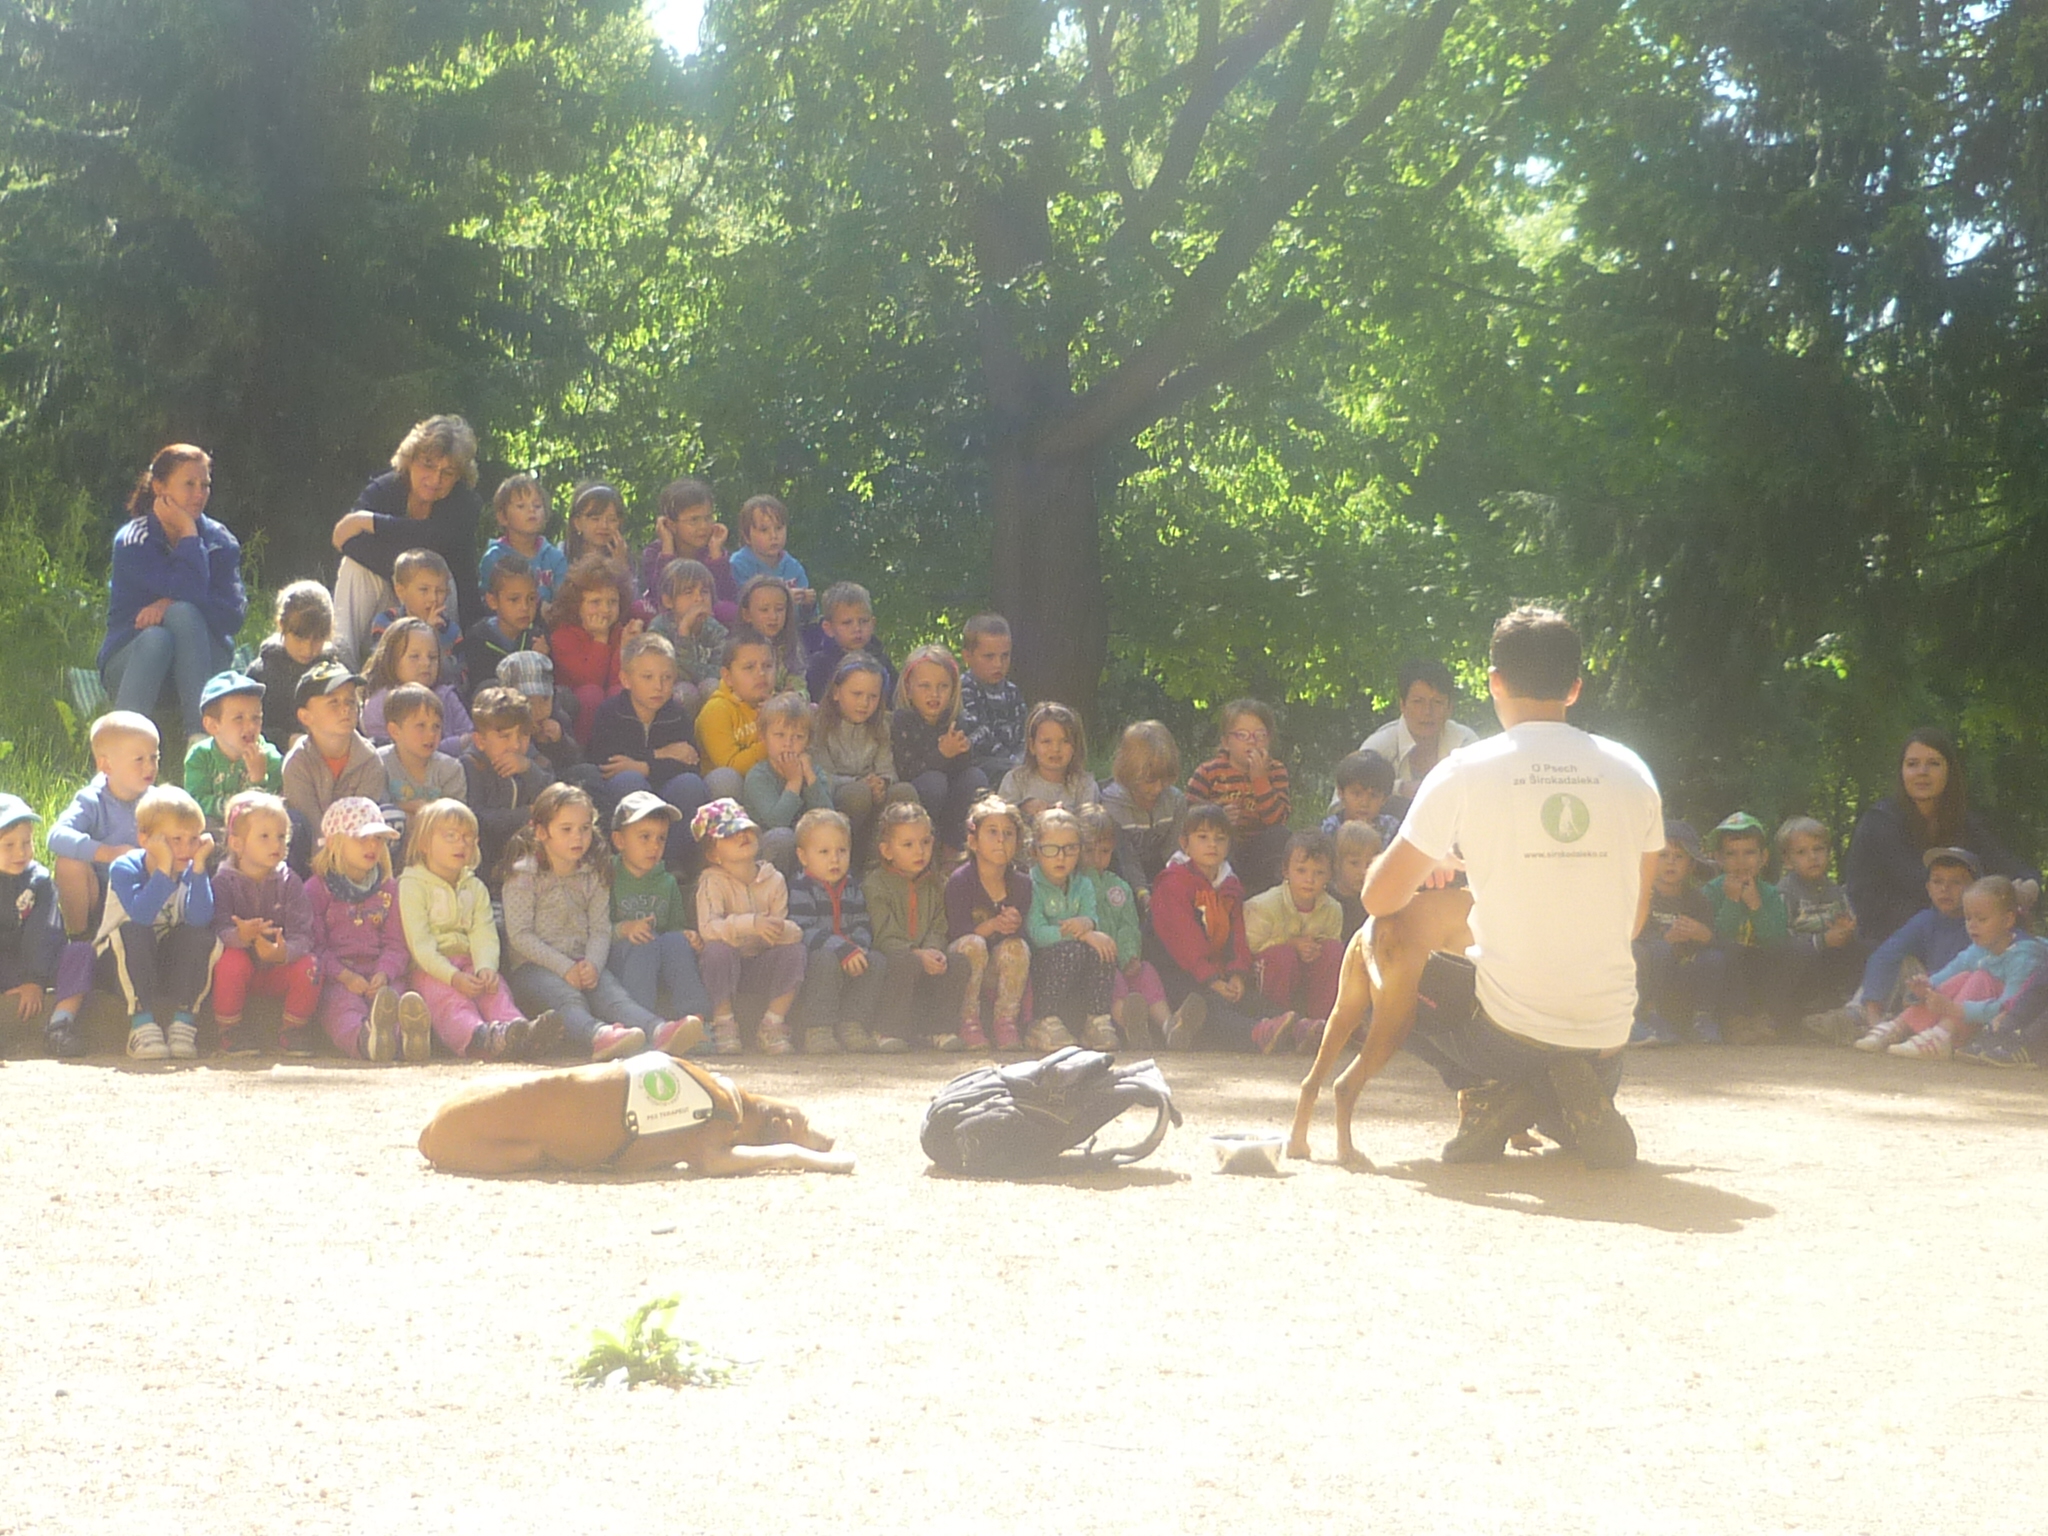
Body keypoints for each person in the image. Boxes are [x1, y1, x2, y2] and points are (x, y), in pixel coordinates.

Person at [1354, 606, 1663, 1168]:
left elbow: (1378, 899)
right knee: (1568, 1059)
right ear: (1575, 688)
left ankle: (1497, 1092)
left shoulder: (1464, 770)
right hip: (1606, 1041)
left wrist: (1434, 861)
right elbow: (1635, 921)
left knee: (1390, 968)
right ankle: (1562, 1103)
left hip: (1503, 1039)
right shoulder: (1632, 771)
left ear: (1494, 682)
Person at [503, 783, 693, 1062]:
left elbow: (600, 929)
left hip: (582, 960)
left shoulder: (594, 873)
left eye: (584, 828)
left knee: (613, 995)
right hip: (535, 967)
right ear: (542, 832)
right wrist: (564, 967)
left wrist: (592, 963)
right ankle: (598, 1035)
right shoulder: (524, 875)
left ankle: (659, 1030)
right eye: (566, 829)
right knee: (568, 998)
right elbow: (520, 936)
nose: (578, 837)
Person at [98, 443, 246, 735]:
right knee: (158, 637)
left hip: (206, 667)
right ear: (159, 488)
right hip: (136, 663)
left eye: (205, 485)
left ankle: (199, 739)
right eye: (189, 484)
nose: (199, 494)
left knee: (183, 613)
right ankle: (121, 742)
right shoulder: (134, 541)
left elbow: (233, 617)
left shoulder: (220, 541)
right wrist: (189, 534)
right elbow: (188, 589)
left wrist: (168, 605)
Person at [1844, 728, 2039, 949]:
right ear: (1902, 772)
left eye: (1934, 764)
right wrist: (1998, 896)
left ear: (1949, 771)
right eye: (1912, 764)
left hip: (1952, 926)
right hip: (1885, 936)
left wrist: (2028, 886)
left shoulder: (1964, 821)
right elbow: (1925, 884)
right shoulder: (1880, 822)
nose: (1922, 772)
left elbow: (2010, 865)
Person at [397, 797, 560, 1061]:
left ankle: (519, 1032)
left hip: (469, 962)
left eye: (468, 837)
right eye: (451, 836)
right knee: (450, 1002)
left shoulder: (475, 887)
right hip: (431, 969)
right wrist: (452, 976)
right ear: (424, 843)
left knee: (495, 991)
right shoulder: (411, 884)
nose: (461, 844)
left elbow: (483, 933)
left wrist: (486, 967)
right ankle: (481, 1037)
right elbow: (420, 943)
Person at [45, 711, 160, 1056]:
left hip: (142, 904)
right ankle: (81, 936)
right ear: (106, 764)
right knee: (68, 862)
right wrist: (106, 852)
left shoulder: (157, 801)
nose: (149, 766)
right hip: (100, 899)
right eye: (139, 759)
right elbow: (56, 836)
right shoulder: (92, 800)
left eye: (154, 757)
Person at [329, 416, 483, 667]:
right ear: (410, 460)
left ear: (459, 476)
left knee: (436, 569)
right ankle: (342, 665)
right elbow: (345, 540)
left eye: (447, 473)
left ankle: (439, 666)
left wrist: (371, 522)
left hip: (442, 605)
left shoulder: (465, 503)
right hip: (390, 594)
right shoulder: (384, 489)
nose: (435, 479)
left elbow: (436, 539)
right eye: (428, 466)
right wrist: (405, 581)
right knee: (354, 568)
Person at [93, 786, 220, 1061]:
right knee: (132, 932)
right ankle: (141, 1024)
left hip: (159, 963)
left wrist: (199, 869)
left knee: (202, 938)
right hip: (118, 964)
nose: (186, 849)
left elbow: (200, 919)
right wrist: (163, 868)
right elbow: (141, 915)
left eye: (193, 839)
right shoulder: (125, 868)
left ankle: (183, 1021)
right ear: (145, 838)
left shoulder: (190, 868)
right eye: (176, 840)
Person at [1857, 876, 2047, 1059]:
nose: (1972, 926)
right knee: (1962, 976)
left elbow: (2011, 1010)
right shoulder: (1980, 948)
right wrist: (1925, 988)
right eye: (1968, 918)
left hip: (1999, 1027)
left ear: (2008, 920)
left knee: (1981, 977)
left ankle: (1943, 1036)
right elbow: (1948, 973)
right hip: (1971, 1016)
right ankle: (1900, 1026)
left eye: (1981, 919)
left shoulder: (2024, 956)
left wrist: (1955, 1009)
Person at [306, 797, 427, 1063]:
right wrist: (345, 976)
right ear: (335, 842)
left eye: (378, 839)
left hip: (379, 974)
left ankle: (405, 1040)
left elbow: (396, 943)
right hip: (338, 977)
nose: (373, 846)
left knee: (394, 999)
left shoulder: (389, 888)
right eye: (362, 839)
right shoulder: (316, 889)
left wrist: (384, 973)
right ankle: (365, 1040)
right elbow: (314, 945)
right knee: (341, 1009)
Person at [1145, 803, 1274, 1051]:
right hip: (1178, 972)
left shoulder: (1230, 885)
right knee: (1207, 1007)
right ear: (1185, 843)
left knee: (1252, 1001)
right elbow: (1184, 942)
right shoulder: (1173, 884)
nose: (1212, 845)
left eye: (1220, 838)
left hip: (1218, 970)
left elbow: (1238, 936)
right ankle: (1257, 1035)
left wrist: (1237, 974)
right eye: (1202, 837)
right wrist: (1212, 979)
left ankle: (1300, 1029)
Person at [208, 791, 319, 1056]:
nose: (275, 844)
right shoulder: (222, 882)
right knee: (230, 961)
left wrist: (283, 952)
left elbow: (303, 934)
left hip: (279, 968)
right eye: (264, 836)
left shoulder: (290, 882)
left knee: (311, 966)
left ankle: (292, 1030)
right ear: (237, 843)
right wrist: (240, 936)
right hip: (241, 968)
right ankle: (229, 1031)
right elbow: (216, 929)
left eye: (281, 836)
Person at [691, 797, 805, 1055]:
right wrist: (751, 924)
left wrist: (782, 930)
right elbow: (708, 928)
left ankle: (772, 1023)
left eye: (745, 829)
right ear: (713, 854)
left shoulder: (774, 879)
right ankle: (723, 1023)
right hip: (726, 964)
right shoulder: (711, 882)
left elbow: (784, 928)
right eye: (730, 834)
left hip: (761, 961)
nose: (742, 835)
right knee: (716, 951)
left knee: (795, 952)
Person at [786, 808, 892, 1055]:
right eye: (824, 852)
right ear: (803, 856)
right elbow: (803, 929)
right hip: (816, 959)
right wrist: (841, 948)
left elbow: (861, 921)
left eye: (842, 851)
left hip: (848, 952)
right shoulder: (800, 888)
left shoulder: (851, 887)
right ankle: (818, 1028)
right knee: (824, 960)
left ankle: (852, 1024)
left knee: (875, 960)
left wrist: (857, 946)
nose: (834, 859)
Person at [604, 791, 710, 1025]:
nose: (654, 845)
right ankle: (640, 1023)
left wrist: (687, 936)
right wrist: (624, 929)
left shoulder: (667, 882)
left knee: (676, 941)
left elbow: (673, 927)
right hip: (619, 959)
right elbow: (594, 931)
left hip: (658, 957)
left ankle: (695, 1020)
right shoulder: (606, 876)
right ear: (620, 841)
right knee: (644, 942)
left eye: (661, 838)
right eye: (645, 837)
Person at [865, 800, 965, 1049]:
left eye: (925, 842)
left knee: (958, 963)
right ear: (887, 851)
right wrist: (916, 953)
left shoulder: (935, 884)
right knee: (905, 962)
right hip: (893, 961)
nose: (919, 851)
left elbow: (939, 926)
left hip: (924, 958)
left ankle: (937, 1029)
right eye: (908, 845)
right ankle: (886, 1030)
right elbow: (883, 933)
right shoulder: (875, 884)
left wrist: (933, 950)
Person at [587, 632, 710, 829]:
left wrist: (645, 767)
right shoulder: (611, 712)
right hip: (623, 791)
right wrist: (661, 754)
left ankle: (673, 848)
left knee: (690, 784)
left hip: (666, 788)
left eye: (666, 678)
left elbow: (690, 764)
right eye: (647, 677)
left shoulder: (677, 715)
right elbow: (610, 763)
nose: (658, 686)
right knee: (629, 779)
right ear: (626, 680)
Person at [944, 794, 1037, 1051]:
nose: (1001, 840)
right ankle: (968, 1020)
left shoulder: (1022, 884)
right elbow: (957, 932)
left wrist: (1014, 924)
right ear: (973, 841)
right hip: (964, 965)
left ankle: (1006, 1020)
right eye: (992, 832)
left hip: (997, 970)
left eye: (1008, 834)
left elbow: (1025, 938)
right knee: (973, 944)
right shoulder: (960, 881)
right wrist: (994, 925)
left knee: (1017, 947)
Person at [1854, 847, 1975, 1037]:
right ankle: (1867, 1018)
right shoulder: (1926, 920)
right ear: (1928, 888)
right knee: (1903, 962)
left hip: (1964, 1005)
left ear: (1975, 888)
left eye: (1956, 882)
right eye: (1938, 881)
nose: (1945, 889)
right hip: (1927, 996)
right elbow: (1884, 956)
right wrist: (1873, 1014)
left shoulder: (1983, 923)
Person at [1026, 806, 1120, 1050]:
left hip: (1076, 963)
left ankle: (1096, 1019)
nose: (1061, 857)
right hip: (1042, 964)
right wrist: (1081, 933)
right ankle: (1043, 1020)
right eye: (1051, 849)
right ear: (1035, 851)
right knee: (1074, 950)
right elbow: (1037, 933)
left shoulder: (1083, 884)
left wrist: (1089, 926)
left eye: (1070, 849)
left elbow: (1091, 917)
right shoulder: (1030, 884)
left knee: (1103, 946)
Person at [1243, 830, 1342, 1052]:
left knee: (1334, 951)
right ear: (1285, 870)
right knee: (1283, 956)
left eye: (1319, 872)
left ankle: (1319, 1026)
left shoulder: (1333, 909)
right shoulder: (1263, 905)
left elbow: (1331, 949)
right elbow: (1250, 947)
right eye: (1301, 870)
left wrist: (1315, 950)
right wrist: (1292, 945)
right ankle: (1278, 1025)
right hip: (1269, 980)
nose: (1310, 879)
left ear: (1329, 875)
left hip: (1307, 979)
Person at [1077, 804, 1166, 1048]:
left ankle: (1169, 1025)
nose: (1097, 859)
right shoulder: (1074, 884)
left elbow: (1128, 924)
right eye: (1089, 851)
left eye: (1104, 851)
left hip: (1121, 957)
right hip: (1094, 962)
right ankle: (1130, 1025)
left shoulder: (1119, 886)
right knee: (1112, 976)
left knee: (1146, 972)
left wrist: (1129, 956)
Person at [812, 653, 918, 858]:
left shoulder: (881, 726)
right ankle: (846, 854)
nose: (864, 703)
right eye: (857, 694)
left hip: (873, 796)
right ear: (836, 692)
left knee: (904, 791)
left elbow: (888, 769)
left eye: (872, 697)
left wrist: (882, 783)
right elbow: (821, 776)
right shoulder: (819, 725)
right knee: (858, 794)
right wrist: (860, 783)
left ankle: (881, 858)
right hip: (836, 800)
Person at [1629, 820, 1722, 1048]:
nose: (1670, 862)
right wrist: (1665, 940)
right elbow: (1633, 938)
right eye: (1663, 855)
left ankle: (1702, 1019)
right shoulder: (1642, 897)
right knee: (1653, 951)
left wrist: (1703, 934)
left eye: (1679, 856)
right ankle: (1643, 1017)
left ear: (1691, 865)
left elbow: (1716, 938)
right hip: (1650, 971)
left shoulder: (1698, 900)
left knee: (1715, 958)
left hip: (1682, 973)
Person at [1186, 698, 1291, 895]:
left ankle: (1267, 895)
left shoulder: (1276, 771)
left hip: (1260, 851)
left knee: (1280, 836)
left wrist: (1260, 780)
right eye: (1242, 735)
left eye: (1260, 735)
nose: (1252, 741)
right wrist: (1219, 817)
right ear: (1226, 742)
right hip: (1223, 848)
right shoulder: (1208, 772)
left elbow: (1278, 820)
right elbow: (1188, 817)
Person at [1701, 812, 1790, 1045]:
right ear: (1718, 859)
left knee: (1791, 953)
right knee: (1727, 954)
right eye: (1731, 854)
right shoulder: (1711, 892)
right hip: (1728, 966)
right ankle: (1735, 1021)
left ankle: (1764, 1018)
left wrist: (1755, 906)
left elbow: (1776, 940)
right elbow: (1714, 938)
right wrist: (1732, 901)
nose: (1740, 861)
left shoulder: (1770, 894)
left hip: (1760, 965)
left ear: (1763, 857)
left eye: (1749, 853)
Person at [1774, 815, 1863, 1042]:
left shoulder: (1835, 891)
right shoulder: (1785, 892)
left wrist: (1847, 929)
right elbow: (1781, 937)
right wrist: (1822, 940)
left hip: (1833, 956)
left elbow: (1850, 920)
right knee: (1802, 953)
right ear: (1788, 860)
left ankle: (1850, 1007)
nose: (1812, 857)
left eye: (1818, 849)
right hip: (1800, 961)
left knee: (1864, 948)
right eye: (1801, 852)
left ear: (1828, 853)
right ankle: (1800, 1014)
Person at [892, 643, 987, 849]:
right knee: (934, 782)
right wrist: (942, 754)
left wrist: (961, 751)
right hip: (921, 796)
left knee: (976, 777)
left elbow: (963, 769)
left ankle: (956, 845)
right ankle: (927, 843)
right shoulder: (903, 720)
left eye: (943, 686)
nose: (934, 694)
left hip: (951, 801)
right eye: (925, 686)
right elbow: (906, 771)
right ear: (908, 689)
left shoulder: (955, 720)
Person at [460, 686, 557, 885]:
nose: (515, 745)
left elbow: (554, 801)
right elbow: (476, 818)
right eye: (505, 736)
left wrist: (529, 769)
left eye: (523, 735)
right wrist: (525, 814)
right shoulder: (471, 766)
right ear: (480, 740)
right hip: (485, 864)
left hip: (529, 861)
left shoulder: (535, 762)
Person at [548, 555, 643, 751]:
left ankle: (623, 750)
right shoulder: (562, 636)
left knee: (621, 693)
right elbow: (590, 680)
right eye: (596, 602)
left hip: (609, 709)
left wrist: (625, 646)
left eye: (612, 602)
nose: (605, 610)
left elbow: (618, 681)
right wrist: (600, 639)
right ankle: (583, 752)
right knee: (591, 694)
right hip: (576, 706)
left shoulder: (618, 631)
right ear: (577, 604)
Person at [280, 662, 385, 835]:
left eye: (350, 701)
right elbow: (310, 827)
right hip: (312, 847)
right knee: (296, 821)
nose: (346, 709)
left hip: (356, 847)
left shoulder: (370, 760)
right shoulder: (297, 763)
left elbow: (363, 827)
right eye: (333, 702)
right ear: (305, 716)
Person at [1353, 658, 1479, 801]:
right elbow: (1343, 804)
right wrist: (1399, 789)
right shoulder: (1379, 747)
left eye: (1437, 702)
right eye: (1418, 702)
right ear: (1402, 705)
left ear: (1450, 708)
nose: (1427, 711)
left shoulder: (1465, 743)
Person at [741, 691, 832, 873]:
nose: (788, 743)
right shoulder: (758, 776)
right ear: (763, 737)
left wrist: (809, 777)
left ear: (808, 741)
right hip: (768, 852)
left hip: (808, 849)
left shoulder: (814, 772)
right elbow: (777, 822)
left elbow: (828, 819)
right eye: (780, 735)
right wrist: (794, 781)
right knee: (783, 837)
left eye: (798, 737)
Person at [183, 672, 284, 829]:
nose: (250, 726)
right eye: (239, 718)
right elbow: (196, 801)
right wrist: (234, 808)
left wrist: (258, 779)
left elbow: (274, 806)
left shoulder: (269, 757)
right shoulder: (200, 756)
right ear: (212, 726)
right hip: (217, 828)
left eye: (256, 718)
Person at [0, 794, 63, 1042]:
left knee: (78, 955)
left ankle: (62, 1023)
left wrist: (33, 980)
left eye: (26, 842)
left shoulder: (39, 882)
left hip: (32, 965)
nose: (20, 852)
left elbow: (44, 933)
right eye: (9, 845)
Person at [359, 617, 473, 754]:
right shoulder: (379, 703)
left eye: (432, 657)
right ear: (392, 659)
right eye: (414, 656)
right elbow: (399, 754)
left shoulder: (447, 696)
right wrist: (455, 745)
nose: (426, 663)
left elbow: (470, 738)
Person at [246, 581, 337, 752]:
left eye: (318, 638)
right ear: (282, 625)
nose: (308, 649)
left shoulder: (335, 674)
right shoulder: (261, 674)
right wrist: (286, 741)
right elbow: (243, 728)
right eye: (299, 637)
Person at [693, 628, 778, 804]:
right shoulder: (716, 711)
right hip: (732, 795)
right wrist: (774, 740)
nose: (761, 673)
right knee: (726, 779)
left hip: (774, 788)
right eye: (749, 667)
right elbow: (730, 767)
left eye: (767, 666)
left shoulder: (779, 705)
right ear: (728, 676)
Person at [1102, 720, 1186, 897]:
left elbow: (1174, 851)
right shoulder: (1112, 804)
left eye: (1164, 780)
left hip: (1160, 872)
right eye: (1150, 781)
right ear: (1129, 772)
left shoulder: (1175, 800)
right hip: (1120, 876)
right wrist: (1142, 893)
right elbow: (1126, 858)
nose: (1158, 788)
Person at [638, 477, 737, 623]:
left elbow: (726, 594)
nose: (703, 526)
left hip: (707, 615)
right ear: (671, 524)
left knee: (730, 611)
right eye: (694, 520)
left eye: (708, 518)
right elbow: (659, 592)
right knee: (639, 609)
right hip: (666, 617)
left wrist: (716, 552)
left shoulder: (713, 552)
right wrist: (667, 547)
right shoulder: (655, 552)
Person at [366, 549, 462, 691]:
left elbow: (461, 681)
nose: (433, 598)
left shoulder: (451, 630)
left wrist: (434, 638)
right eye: (424, 590)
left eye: (440, 591)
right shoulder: (386, 622)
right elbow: (381, 669)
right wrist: (423, 632)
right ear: (401, 591)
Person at [461, 552, 551, 702]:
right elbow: (482, 690)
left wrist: (543, 660)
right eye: (514, 600)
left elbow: (547, 689)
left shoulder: (537, 637)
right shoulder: (479, 638)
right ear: (492, 601)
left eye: (531, 598)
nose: (525, 607)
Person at [376, 684, 466, 831]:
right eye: (421, 726)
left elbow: (455, 819)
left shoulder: (450, 769)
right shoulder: (379, 763)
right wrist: (411, 807)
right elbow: (377, 812)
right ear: (395, 731)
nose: (431, 734)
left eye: (436, 726)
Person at [649, 557, 729, 719]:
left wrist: (695, 673)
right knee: (684, 693)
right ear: (668, 601)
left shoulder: (716, 630)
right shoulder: (659, 629)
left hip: (706, 688)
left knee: (713, 687)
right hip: (670, 692)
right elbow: (670, 674)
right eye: (688, 592)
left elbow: (722, 671)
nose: (699, 598)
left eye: (704, 592)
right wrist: (684, 632)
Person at [477, 473, 568, 608]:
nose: (531, 510)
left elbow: (564, 601)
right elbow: (487, 603)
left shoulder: (555, 557)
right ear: (503, 517)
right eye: (521, 506)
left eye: (537, 506)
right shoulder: (494, 558)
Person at [999, 702, 1102, 820]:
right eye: (1046, 741)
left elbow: (1090, 825)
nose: (1055, 749)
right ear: (1032, 745)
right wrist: (1023, 810)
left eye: (1065, 741)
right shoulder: (1016, 780)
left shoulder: (1084, 785)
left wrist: (1066, 818)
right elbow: (1002, 820)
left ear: (1075, 745)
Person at [957, 613, 1026, 782]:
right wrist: (1014, 764)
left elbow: (1025, 733)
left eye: (1005, 656)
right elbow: (979, 738)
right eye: (989, 657)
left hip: (1015, 763)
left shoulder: (1012, 691)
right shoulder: (963, 690)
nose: (998, 664)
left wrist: (1024, 759)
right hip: (980, 765)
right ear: (967, 657)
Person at [804, 581, 895, 704]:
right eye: (847, 623)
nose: (857, 628)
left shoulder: (882, 662)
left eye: (864, 621)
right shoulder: (819, 665)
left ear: (873, 623)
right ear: (828, 628)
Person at [725, 494, 815, 616]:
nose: (774, 536)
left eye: (779, 528)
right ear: (747, 536)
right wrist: (783, 598)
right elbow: (742, 606)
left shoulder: (793, 567)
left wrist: (808, 604)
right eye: (764, 530)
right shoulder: (738, 565)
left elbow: (808, 616)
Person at [734, 574, 807, 693]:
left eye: (779, 609)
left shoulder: (791, 647)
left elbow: (801, 688)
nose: (773, 617)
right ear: (747, 614)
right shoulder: (737, 650)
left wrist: (795, 695)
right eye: (764, 610)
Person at [1321, 751, 1400, 847]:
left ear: (1384, 799)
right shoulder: (1329, 830)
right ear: (1341, 793)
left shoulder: (1392, 829)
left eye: (1373, 795)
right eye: (1357, 794)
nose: (1364, 803)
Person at [1329, 819, 1382, 946]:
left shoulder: (1372, 901)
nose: (1363, 871)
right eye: (1354, 863)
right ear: (1337, 862)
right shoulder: (1326, 898)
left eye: (1369, 864)